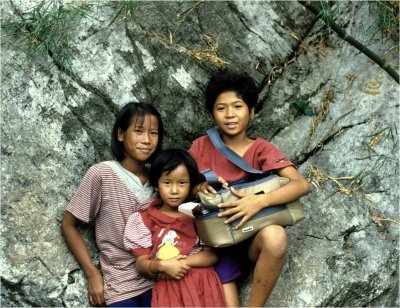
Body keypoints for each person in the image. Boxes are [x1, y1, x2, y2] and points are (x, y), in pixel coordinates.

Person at [189, 70, 310, 307]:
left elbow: (300, 184)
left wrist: (258, 201)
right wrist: (198, 186)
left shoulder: (261, 148)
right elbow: (180, 188)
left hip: (252, 238)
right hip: (216, 243)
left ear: (252, 111)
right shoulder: (201, 147)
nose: (230, 114)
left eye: (237, 106)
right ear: (212, 113)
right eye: (221, 108)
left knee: (276, 236)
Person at [61, 102, 164, 307]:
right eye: (138, 131)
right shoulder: (102, 174)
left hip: (160, 280)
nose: (147, 140)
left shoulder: (161, 179)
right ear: (120, 134)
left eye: (153, 133)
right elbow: (68, 225)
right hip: (119, 285)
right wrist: (92, 275)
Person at [123, 149, 226, 307]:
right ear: (156, 184)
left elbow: (212, 255)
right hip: (169, 290)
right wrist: (161, 266)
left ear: (191, 183)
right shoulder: (144, 220)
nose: (174, 190)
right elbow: (141, 263)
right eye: (167, 183)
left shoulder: (199, 214)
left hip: (202, 285)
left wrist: (180, 264)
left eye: (182, 183)